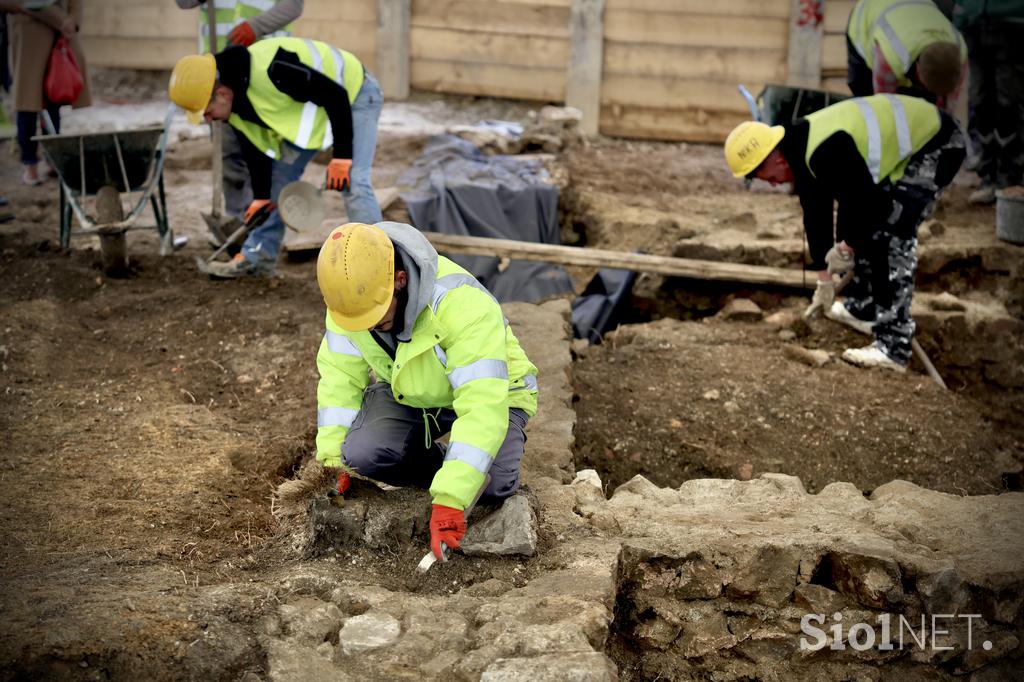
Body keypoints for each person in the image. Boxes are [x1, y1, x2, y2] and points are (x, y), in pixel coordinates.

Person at [314, 222, 539, 560]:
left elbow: (481, 406)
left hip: (496, 394)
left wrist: (451, 498)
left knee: (494, 485)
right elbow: (339, 382)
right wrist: (332, 463)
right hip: (412, 391)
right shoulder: (351, 302)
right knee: (362, 453)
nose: (368, 327)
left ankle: (461, 470)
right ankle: (447, 464)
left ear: (399, 281)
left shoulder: (461, 305)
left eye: (375, 317)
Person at [724, 94, 965, 372]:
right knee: (863, 225)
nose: (775, 185)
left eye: (770, 178)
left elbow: (875, 207)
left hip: (937, 141)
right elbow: (816, 210)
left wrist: (847, 246)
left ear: (774, 157)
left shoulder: (825, 150)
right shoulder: (797, 148)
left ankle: (894, 346)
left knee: (892, 229)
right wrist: (823, 278)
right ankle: (863, 308)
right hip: (906, 150)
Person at [168, 37, 384, 278]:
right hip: (318, 111)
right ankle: (257, 259)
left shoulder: (275, 69)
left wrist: (342, 157)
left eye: (207, 112)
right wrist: (261, 196)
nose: (208, 120)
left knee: (354, 181)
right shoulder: (234, 105)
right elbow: (255, 149)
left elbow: (335, 96)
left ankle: (379, 266)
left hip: (355, 94)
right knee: (278, 183)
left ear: (222, 94)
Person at [175, 0, 304, 242]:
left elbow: (293, 6)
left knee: (268, 155)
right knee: (229, 156)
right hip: (215, 78)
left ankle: (267, 229)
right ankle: (239, 225)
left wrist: (257, 26)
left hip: (267, 74)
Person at [6, 0, 91, 186]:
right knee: (28, 103)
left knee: (54, 101)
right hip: (30, 35)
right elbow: (28, 2)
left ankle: (52, 160)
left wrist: (73, 21)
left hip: (60, 35)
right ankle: (30, 165)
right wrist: (62, 20)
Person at [953, 0, 1024, 205]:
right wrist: (962, 13)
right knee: (980, 101)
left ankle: (1009, 179)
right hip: (974, 22)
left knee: (1009, 103)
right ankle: (989, 176)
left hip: (1012, 21)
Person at [846, 0, 967, 115]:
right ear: (918, 70)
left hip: (910, 14)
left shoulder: (958, 54)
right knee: (866, 105)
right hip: (866, 18)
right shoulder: (891, 57)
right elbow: (884, 107)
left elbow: (949, 107)